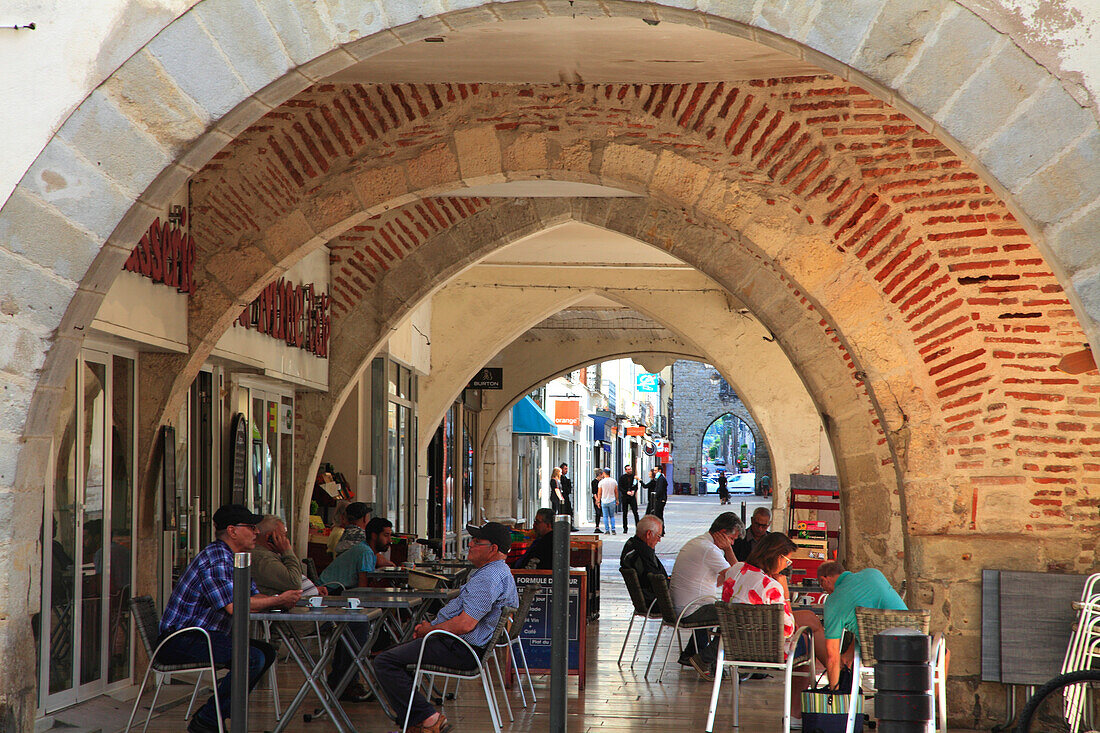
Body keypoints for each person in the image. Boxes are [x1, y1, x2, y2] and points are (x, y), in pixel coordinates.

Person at [158, 504, 301, 733]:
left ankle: (214, 717)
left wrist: (279, 599)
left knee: (266, 652)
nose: (256, 532)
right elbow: (236, 606)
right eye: (251, 527)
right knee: (252, 658)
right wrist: (276, 600)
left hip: (204, 636)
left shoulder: (234, 558)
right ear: (233, 531)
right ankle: (207, 720)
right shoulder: (215, 560)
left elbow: (252, 596)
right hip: (180, 640)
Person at [374, 522, 519, 733]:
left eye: (477, 542)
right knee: (397, 656)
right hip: (460, 644)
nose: (470, 545)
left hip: (461, 648)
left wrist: (430, 630)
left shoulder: (488, 577)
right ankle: (415, 724)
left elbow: (466, 624)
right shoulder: (498, 572)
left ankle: (429, 719)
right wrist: (433, 626)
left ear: (493, 549)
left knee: (385, 661)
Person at [722, 533, 828, 723]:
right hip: (768, 648)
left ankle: (835, 671)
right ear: (777, 557)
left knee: (809, 621)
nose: (787, 566)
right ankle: (796, 713)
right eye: (787, 561)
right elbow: (787, 630)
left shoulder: (735, 570)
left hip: (735, 644)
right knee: (804, 641)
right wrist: (785, 594)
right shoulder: (771, 586)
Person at [669, 512, 743, 679]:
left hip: (684, 606)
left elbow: (717, 580)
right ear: (723, 533)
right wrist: (729, 550)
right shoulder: (709, 549)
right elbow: (740, 577)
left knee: (723, 610)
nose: (731, 543)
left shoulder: (699, 542)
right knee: (737, 615)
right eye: (731, 539)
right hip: (692, 609)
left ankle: (692, 655)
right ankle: (704, 658)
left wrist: (727, 572)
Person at [817, 560, 907, 690]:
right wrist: (849, 654)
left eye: (822, 586)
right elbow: (879, 620)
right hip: (913, 645)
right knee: (942, 653)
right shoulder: (873, 573)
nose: (824, 590)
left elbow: (832, 655)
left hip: (880, 652)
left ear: (824, 580)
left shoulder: (833, 602)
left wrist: (834, 691)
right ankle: (933, 705)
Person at [252, 515, 327, 598]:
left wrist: (313, 588)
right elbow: (294, 583)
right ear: (269, 537)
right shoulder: (263, 558)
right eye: (283, 535)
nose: (286, 540)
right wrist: (287, 551)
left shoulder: (269, 554)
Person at [320, 516, 395, 590]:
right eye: (386, 535)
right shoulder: (366, 552)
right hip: (329, 591)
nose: (390, 540)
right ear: (374, 536)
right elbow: (362, 589)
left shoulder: (367, 550)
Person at [619, 515, 667, 607]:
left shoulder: (631, 546)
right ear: (648, 534)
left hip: (645, 600)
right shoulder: (643, 552)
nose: (659, 540)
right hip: (655, 602)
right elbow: (657, 580)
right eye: (658, 536)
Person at [618, 465, 640, 533]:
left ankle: (638, 527)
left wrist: (634, 491)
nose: (629, 470)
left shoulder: (634, 477)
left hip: (632, 497)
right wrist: (626, 492)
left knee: (635, 512)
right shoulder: (622, 477)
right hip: (625, 497)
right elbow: (620, 487)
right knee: (625, 513)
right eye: (628, 469)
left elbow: (636, 486)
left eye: (630, 469)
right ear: (625, 470)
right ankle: (625, 528)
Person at [597, 469, 619, 535]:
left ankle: (607, 530)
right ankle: (613, 529)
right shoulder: (614, 481)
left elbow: (599, 493)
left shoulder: (601, 482)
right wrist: (617, 500)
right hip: (612, 500)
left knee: (605, 516)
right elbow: (616, 492)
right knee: (612, 516)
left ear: (604, 473)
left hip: (604, 501)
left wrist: (598, 501)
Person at [559, 462, 577, 531]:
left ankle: (569, 525)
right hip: (563, 497)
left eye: (567, 469)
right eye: (565, 469)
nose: (566, 470)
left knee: (569, 511)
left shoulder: (565, 478)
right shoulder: (561, 478)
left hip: (566, 496)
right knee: (565, 511)